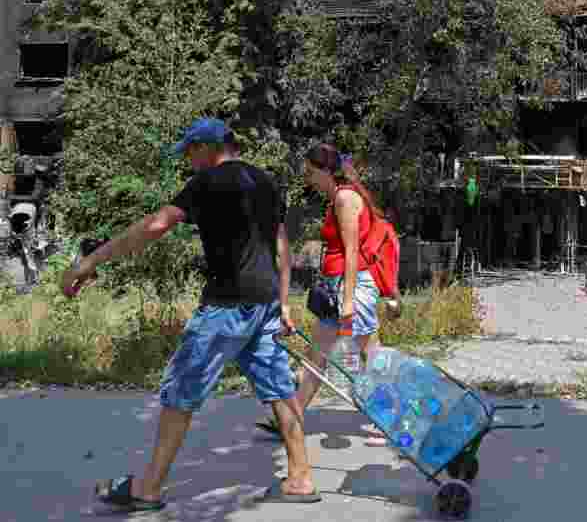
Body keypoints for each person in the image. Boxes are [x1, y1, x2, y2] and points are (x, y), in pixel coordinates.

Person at [61, 118, 321, 510]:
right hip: (265, 302)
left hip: (226, 307)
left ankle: (147, 489)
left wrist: (91, 261)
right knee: (279, 387)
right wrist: (283, 302)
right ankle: (300, 477)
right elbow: (281, 247)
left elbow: (156, 226)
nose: (187, 160)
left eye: (189, 152)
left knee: (182, 389)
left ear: (206, 147)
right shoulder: (264, 182)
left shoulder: (208, 182)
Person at [256, 142, 401, 437]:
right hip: (340, 287)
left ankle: (391, 417)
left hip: (353, 287)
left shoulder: (345, 198)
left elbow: (351, 252)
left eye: (310, 172)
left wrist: (347, 302)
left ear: (325, 170)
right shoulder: (338, 196)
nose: (308, 179)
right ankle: (290, 421)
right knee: (316, 357)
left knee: (371, 356)